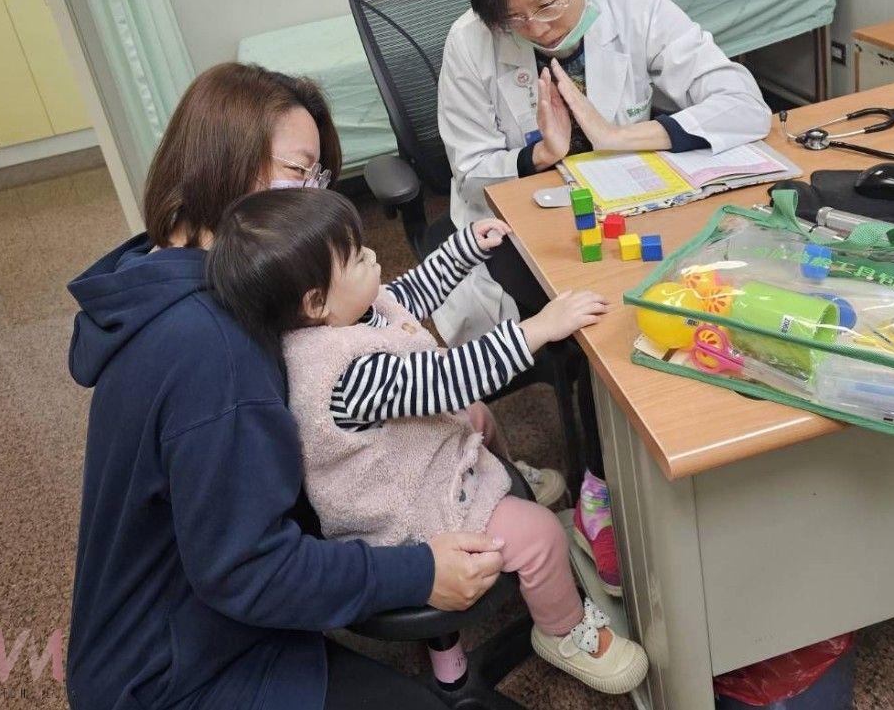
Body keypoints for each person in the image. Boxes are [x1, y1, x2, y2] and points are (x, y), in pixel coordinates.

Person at [65, 63, 506, 710]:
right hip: (175, 677)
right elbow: (246, 569)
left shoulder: (163, 269)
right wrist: (421, 572)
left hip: (196, 622)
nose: (313, 198)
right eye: (298, 172)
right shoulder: (213, 348)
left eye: (319, 178)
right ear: (219, 164)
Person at [435, 0, 771, 597]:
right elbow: (468, 168)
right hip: (515, 230)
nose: (535, 28)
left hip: (629, 210)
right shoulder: (469, 43)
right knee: (596, 325)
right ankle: (601, 483)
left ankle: (707, 464)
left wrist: (623, 137)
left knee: (686, 296)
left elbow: (745, 105)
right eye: (513, 16)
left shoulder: (635, 6)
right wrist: (540, 154)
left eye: (548, 4)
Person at [206, 187, 650, 694]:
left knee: (477, 416)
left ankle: (502, 479)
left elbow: (410, 293)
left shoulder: (348, 310)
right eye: (357, 257)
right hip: (404, 512)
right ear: (315, 302)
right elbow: (451, 377)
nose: (373, 254)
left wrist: (465, 248)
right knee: (542, 534)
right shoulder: (344, 372)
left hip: (410, 456)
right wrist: (539, 328)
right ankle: (565, 631)